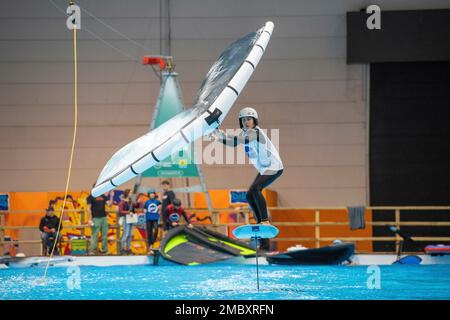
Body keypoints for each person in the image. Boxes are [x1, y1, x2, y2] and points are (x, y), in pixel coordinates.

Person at [210, 107, 284, 225]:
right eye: (243, 120)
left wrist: (226, 134)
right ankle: (259, 221)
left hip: (275, 167)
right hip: (265, 168)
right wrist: (219, 139)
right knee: (249, 195)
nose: (246, 122)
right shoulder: (244, 133)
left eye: (249, 119)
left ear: (255, 120)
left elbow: (245, 140)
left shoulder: (256, 132)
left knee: (256, 189)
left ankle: (265, 220)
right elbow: (233, 144)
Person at [87, 186, 113, 255]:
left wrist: (111, 196)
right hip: (95, 218)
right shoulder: (91, 196)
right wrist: (89, 219)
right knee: (94, 235)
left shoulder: (103, 196)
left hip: (104, 218)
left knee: (104, 235)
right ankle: (92, 250)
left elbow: (109, 204)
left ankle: (104, 250)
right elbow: (88, 208)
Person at [143, 188, 161, 253]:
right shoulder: (147, 202)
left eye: (153, 194)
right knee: (149, 232)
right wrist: (144, 210)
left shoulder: (157, 201)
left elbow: (160, 205)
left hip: (155, 218)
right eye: (151, 194)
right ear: (149, 195)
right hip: (148, 218)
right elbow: (144, 209)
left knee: (156, 230)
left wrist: (160, 209)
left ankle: (152, 243)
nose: (152, 195)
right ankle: (150, 245)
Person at [118, 189, 136, 255]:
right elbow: (120, 211)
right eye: (130, 192)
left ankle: (128, 249)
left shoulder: (130, 202)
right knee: (125, 234)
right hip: (125, 218)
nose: (131, 194)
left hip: (131, 219)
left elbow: (134, 209)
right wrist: (128, 212)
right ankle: (122, 249)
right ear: (127, 193)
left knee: (130, 235)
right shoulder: (122, 202)